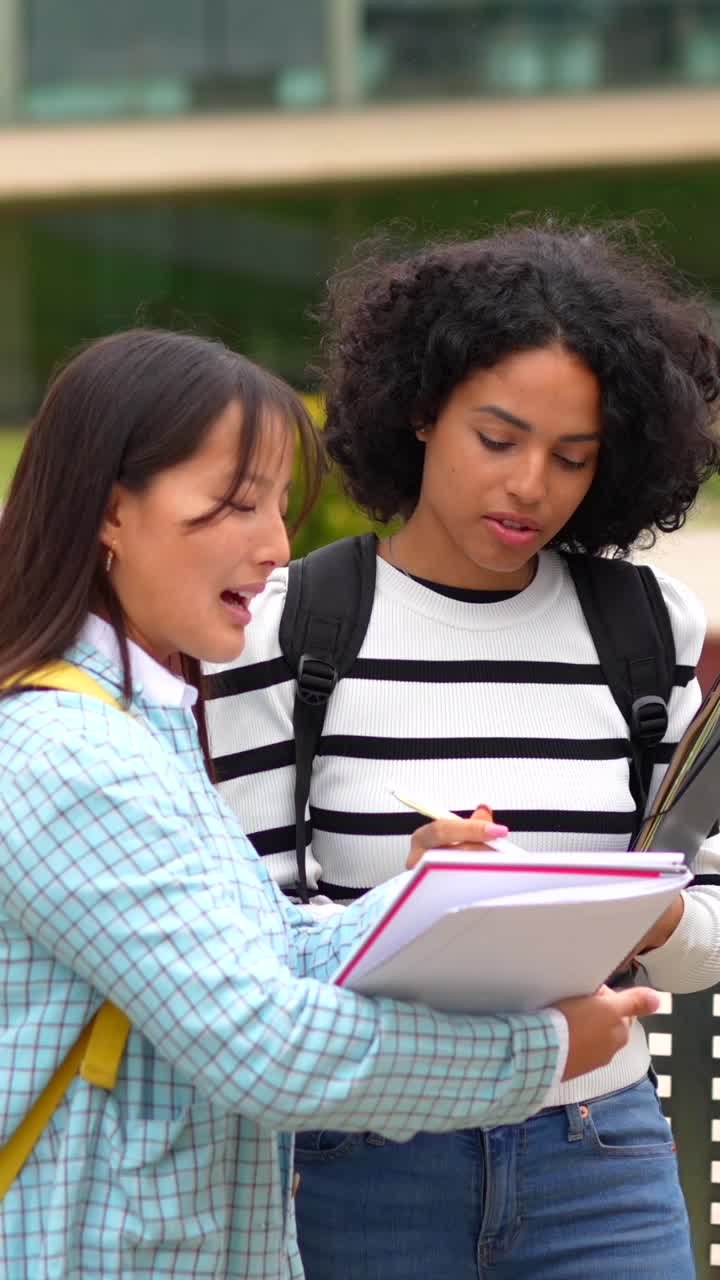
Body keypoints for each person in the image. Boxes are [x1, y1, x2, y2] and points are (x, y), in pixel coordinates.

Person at [0, 328, 655, 1280]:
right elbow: (266, 1046)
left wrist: (429, 898)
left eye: (277, 507)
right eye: (234, 506)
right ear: (110, 511)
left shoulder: (142, 725)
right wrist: (538, 1053)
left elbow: (267, 950)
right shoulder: (72, 753)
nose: (274, 546)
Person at [206, 226, 720, 1280]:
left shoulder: (648, 629)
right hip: (361, 1160)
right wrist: (409, 895)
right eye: (499, 438)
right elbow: (239, 936)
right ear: (421, 408)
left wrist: (637, 906)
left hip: (601, 1160)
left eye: (574, 457)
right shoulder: (288, 628)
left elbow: (706, 923)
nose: (532, 485)